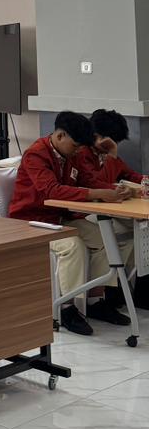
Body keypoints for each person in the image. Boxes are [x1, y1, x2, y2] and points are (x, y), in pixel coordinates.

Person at [9, 110, 133, 335]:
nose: (78, 151)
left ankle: (95, 301)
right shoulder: (36, 155)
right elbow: (51, 191)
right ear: (60, 136)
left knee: (106, 240)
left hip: (60, 218)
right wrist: (98, 193)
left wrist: (114, 190)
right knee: (73, 246)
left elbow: (88, 180)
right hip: (31, 222)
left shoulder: (70, 154)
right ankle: (67, 308)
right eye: (75, 146)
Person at [75, 109, 142, 186]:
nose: (114, 144)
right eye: (113, 141)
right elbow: (100, 183)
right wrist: (112, 152)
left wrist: (145, 180)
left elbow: (130, 174)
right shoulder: (82, 153)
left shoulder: (103, 153)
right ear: (96, 135)